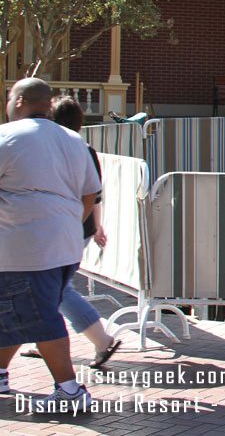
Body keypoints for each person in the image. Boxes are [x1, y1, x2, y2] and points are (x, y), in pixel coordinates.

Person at [0, 79, 102, 412]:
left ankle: (70, 389)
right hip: (65, 245)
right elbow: (90, 193)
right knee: (16, 313)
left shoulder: (6, 137)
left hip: (23, 247)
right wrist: (68, 223)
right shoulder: (74, 140)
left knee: (39, 316)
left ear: (19, 102)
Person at [20, 97, 121, 369]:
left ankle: (100, 339)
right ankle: (46, 340)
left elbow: (92, 193)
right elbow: (95, 194)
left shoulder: (67, 148)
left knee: (56, 287)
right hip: (77, 225)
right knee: (52, 286)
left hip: (68, 227)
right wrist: (96, 225)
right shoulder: (83, 147)